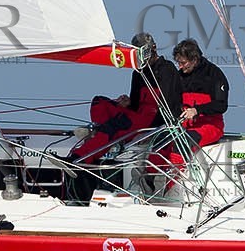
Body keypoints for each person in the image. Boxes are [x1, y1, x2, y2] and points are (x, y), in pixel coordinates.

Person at [63, 33, 180, 202]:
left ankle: (79, 157)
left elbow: (169, 104)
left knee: (114, 128)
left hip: (152, 121)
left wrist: (149, 132)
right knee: (99, 102)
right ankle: (100, 132)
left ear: (152, 48)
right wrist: (126, 103)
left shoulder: (167, 69)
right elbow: (135, 103)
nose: (141, 57)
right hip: (137, 116)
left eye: (142, 52)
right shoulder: (137, 72)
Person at [145, 38, 230, 189]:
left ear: (195, 59)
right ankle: (149, 180)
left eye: (183, 63)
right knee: (160, 139)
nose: (180, 66)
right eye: (178, 62)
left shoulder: (215, 74)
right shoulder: (179, 76)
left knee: (182, 141)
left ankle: (171, 185)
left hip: (209, 126)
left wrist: (197, 110)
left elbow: (221, 105)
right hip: (183, 125)